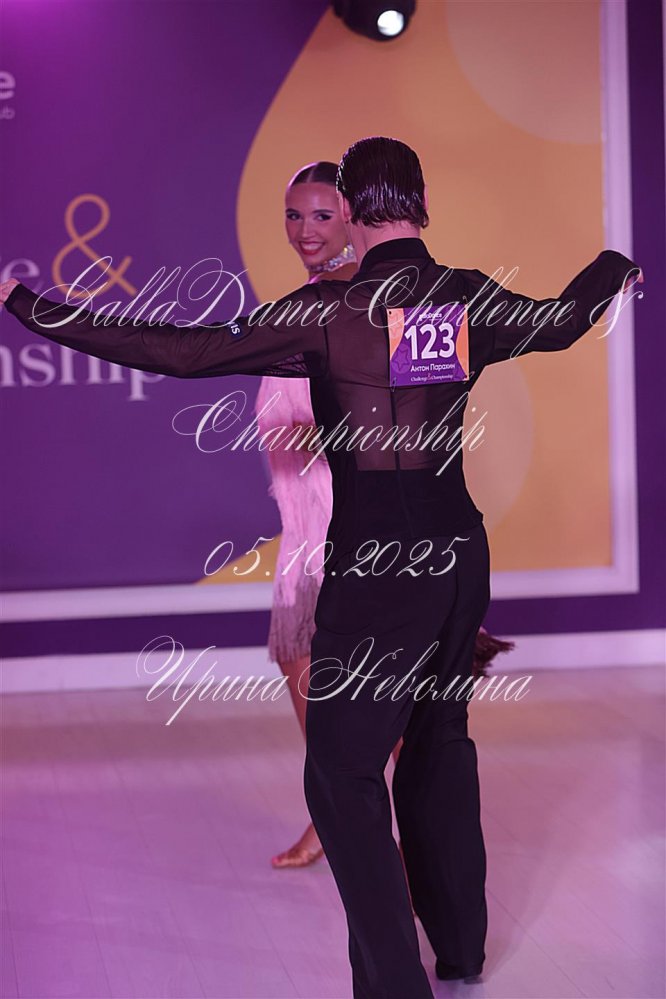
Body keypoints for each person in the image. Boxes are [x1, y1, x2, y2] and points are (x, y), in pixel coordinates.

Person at [1, 136, 642, 999]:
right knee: (441, 743)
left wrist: (26, 304)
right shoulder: (462, 296)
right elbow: (564, 320)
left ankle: (395, 985)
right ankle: (460, 951)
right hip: (459, 554)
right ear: (423, 204)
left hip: (379, 567)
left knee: (341, 773)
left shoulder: (325, 314)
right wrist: (614, 266)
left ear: (350, 211)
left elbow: (177, 350)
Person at [260, 160, 513, 870]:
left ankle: (391, 842)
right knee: (310, 673)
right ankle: (345, 820)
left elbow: (406, 423)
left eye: (321, 214)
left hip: (353, 529)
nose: (305, 230)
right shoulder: (311, 304)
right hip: (307, 524)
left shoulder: (359, 307)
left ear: (352, 216)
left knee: (372, 702)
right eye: (293, 215)